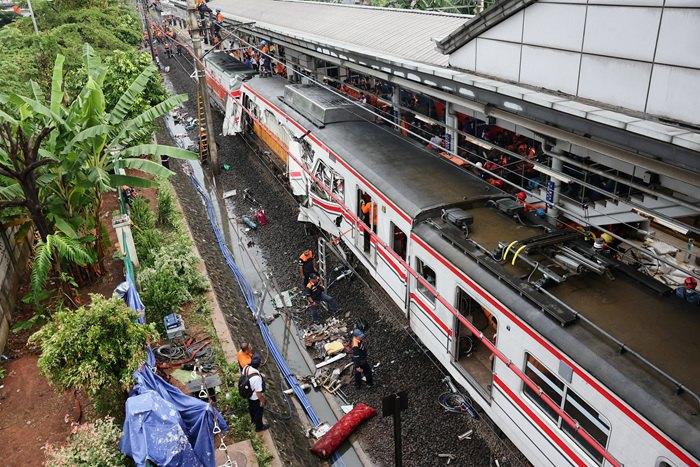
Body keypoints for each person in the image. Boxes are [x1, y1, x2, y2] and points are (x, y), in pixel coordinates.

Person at [244, 353, 269, 432]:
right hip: (255, 397)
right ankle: (259, 427)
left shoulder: (246, 367)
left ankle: (253, 421)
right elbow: (258, 393)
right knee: (258, 412)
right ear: (259, 365)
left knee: (251, 408)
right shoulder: (257, 378)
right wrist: (262, 400)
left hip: (248, 394)